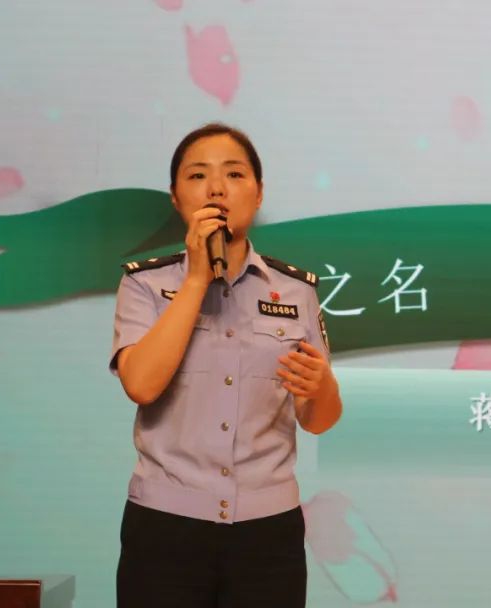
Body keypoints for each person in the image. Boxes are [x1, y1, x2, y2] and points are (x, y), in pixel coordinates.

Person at [108, 122, 342, 607]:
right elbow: (141, 385)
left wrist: (321, 387)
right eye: (198, 176)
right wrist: (196, 279)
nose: (216, 188)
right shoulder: (144, 286)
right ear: (176, 198)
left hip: (267, 532)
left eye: (234, 174)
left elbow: (319, 418)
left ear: (258, 193)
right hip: (165, 527)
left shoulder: (295, 291)